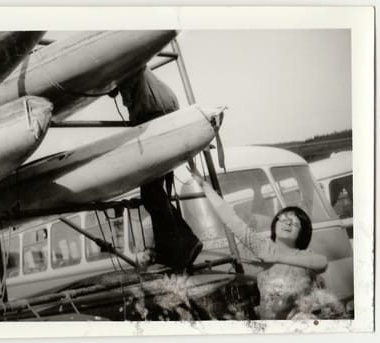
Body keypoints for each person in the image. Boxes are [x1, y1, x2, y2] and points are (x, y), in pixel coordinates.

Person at [190, 169, 328, 319]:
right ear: (275, 223)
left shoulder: (303, 256)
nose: (288, 223)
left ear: (302, 234)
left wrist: (277, 257)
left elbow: (322, 263)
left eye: (295, 223)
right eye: (284, 218)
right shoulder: (262, 247)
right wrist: (205, 186)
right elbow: (232, 220)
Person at [119, 68, 202, 271]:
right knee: (156, 192)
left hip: (151, 117)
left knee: (152, 193)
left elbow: (109, 85)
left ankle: (177, 250)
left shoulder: (125, 62)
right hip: (164, 113)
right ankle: (185, 243)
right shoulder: (141, 67)